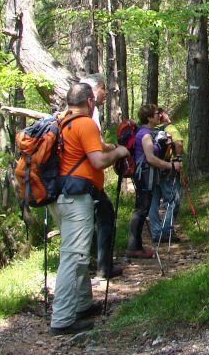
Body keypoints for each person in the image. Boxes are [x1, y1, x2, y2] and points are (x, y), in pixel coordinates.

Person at [49, 83, 130, 336]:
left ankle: (83, 305)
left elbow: (82, 154)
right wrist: (118, 153)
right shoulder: (85, 123)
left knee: (78, 252)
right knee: (73, 257)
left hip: (58, 197)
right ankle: (62, 319)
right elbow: (97, 160)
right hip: (76, 197)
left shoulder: (60, 122)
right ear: (89, 101)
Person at [126, 104, 182, 259]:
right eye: (157, 113)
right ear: (149, 117)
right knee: (141, 209)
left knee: (143, 208)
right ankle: (133, 247)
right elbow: (150, 158)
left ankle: (135, 246)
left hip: (145, 175)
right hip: (144, 175)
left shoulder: (148, 132)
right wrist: (171, 165)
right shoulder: (145, 135)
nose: (160, 115)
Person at [79, 72, 117, 278]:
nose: (106, 93)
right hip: (86, 179)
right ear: (93, 91)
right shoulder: (89, 114)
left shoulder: (83, 113)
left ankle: (98, 262)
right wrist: (114, 150)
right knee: (105, 214)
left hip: (79, 180)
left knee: (98, 216)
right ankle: (103, 265)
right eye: (104, 88)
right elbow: (97, 148)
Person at [148, 108, 184, 243]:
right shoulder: (170, 128)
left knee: (154, 200)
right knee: (172, 199)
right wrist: (178, 157)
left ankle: (156, 232)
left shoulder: (150, 130)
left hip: (152, 169)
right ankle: (167, 231)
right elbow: (179, 143)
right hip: (168, 168)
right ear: (163, 115)